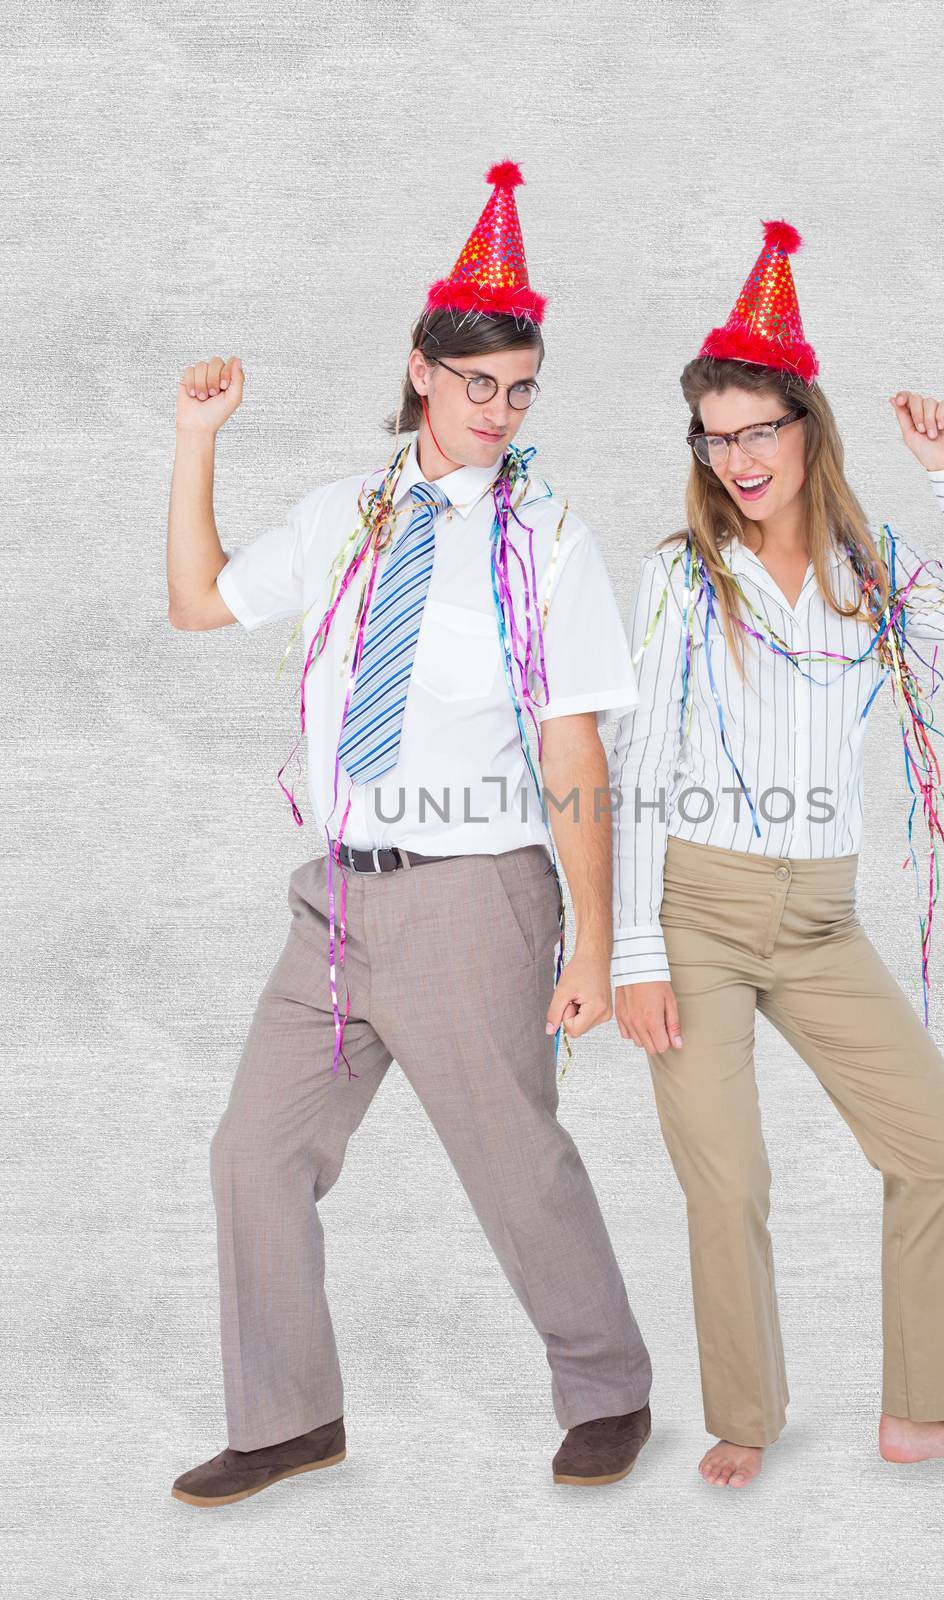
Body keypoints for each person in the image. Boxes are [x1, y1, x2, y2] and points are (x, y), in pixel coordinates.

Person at [165, 161, 652, 1506]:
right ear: (423, 375)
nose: (498, 411)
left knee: (514, 1162)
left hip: (470, 895)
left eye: (520, 389)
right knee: (252, 1154)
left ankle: (609, 1387)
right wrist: (198, 440)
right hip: (334, 899)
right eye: (478, 382)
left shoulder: (544, 537)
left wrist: (593, 946)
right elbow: (201, 604)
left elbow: (572, 748)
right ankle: (288, 1417)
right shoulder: (344, 515)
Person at [608, 217, 944, 1489]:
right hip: (694, 908)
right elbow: (635, 772)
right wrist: (636, 949)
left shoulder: (872, 570)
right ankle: (745, 1413)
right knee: (729, 1179)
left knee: (941, 1149)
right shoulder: (685, 579)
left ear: (808, 428)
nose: (737, 456)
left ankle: (926, 1409)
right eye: (715, 434)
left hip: (821, 919)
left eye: (759, 428)